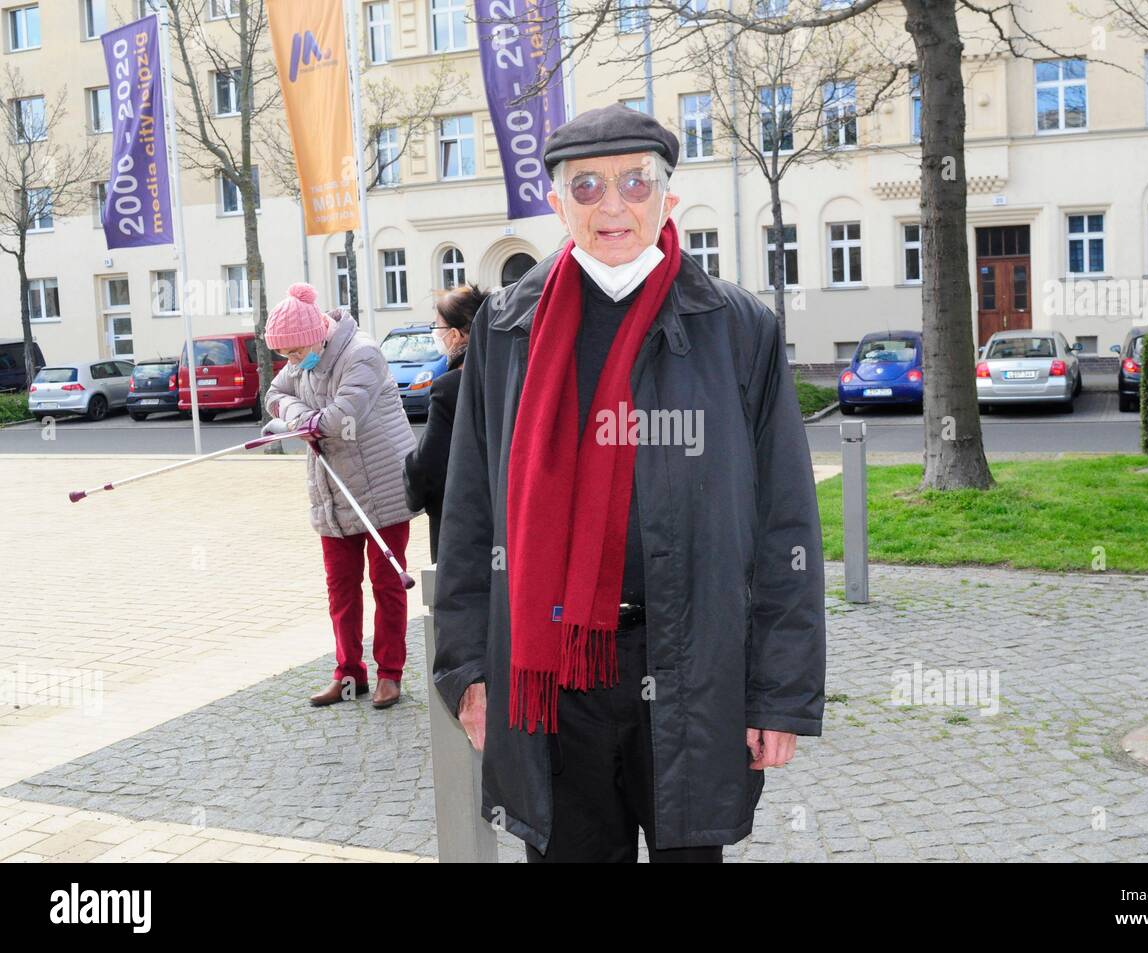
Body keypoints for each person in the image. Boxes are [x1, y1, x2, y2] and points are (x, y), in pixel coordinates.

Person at [432, 104, 826, 862]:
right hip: (551, 679)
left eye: (634, 182)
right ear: (557, 203)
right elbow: (469, 511)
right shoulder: (508, 330)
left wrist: (779, 692)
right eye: (587, 186)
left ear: (668, 197)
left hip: (693, 666)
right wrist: (467, 670)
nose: (613, 204)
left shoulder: (737, 327)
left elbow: (787, 524)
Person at [263, 283, 418, 710]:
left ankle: (390, 674)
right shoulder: (302, 359)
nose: (292, 364)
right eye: (286, 357)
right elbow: (274, 395)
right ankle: (349, 675)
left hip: (380, 487)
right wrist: (296, 416)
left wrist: (303, 423)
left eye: (295, 354)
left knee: (388, 584)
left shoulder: (362, 354)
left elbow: (336, 420)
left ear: (319, 333)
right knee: (341, 588)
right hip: (331, 490)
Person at [403, 284, 487, 564]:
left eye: (436, 328)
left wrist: (410, 478)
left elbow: (429, 462)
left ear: (454, 335)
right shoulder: (507, 373)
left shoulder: (450, 387)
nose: (435, 335)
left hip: (461, 522)